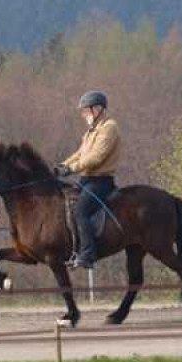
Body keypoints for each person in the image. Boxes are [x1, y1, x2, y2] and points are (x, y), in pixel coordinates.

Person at [54, 90, 122, 269]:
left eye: (86, 111)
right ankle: (73, 250)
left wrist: (71, 169)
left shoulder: (109, 128)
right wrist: (63, 165)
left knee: (81, 211)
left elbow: (96, 157)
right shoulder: (90, 132)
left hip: (101, 182)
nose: (84, 115)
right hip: (86, 180)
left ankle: (88, 254)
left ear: (97, 109)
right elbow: (80, 153)